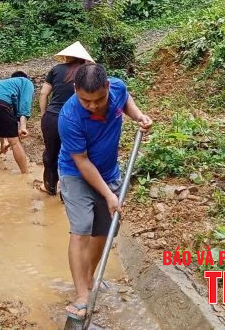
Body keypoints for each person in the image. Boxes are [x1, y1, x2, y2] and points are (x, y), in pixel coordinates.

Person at [58, 64, 153, 324]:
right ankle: (80, 295)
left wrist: (139, 117)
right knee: (82, 228)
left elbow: (127, 99)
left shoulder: (118, 88)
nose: (93, 105)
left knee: (104, 228)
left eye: (99, 99)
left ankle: (89, 277)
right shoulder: (69, 117)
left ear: (107, 87)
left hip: (109, 172)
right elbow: (83, 162)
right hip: (75, 173)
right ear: (75, 90)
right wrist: (110, 196)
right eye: (85, 100)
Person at [38, 41, 94, 196]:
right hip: (75, 119)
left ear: (67, 56)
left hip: (53, 117)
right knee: (75, 155)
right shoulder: (88, 72)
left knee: (51, 153)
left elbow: (43, 93)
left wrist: (44, 114)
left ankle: (49, 186)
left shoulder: (56, 69)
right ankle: (68, 194)